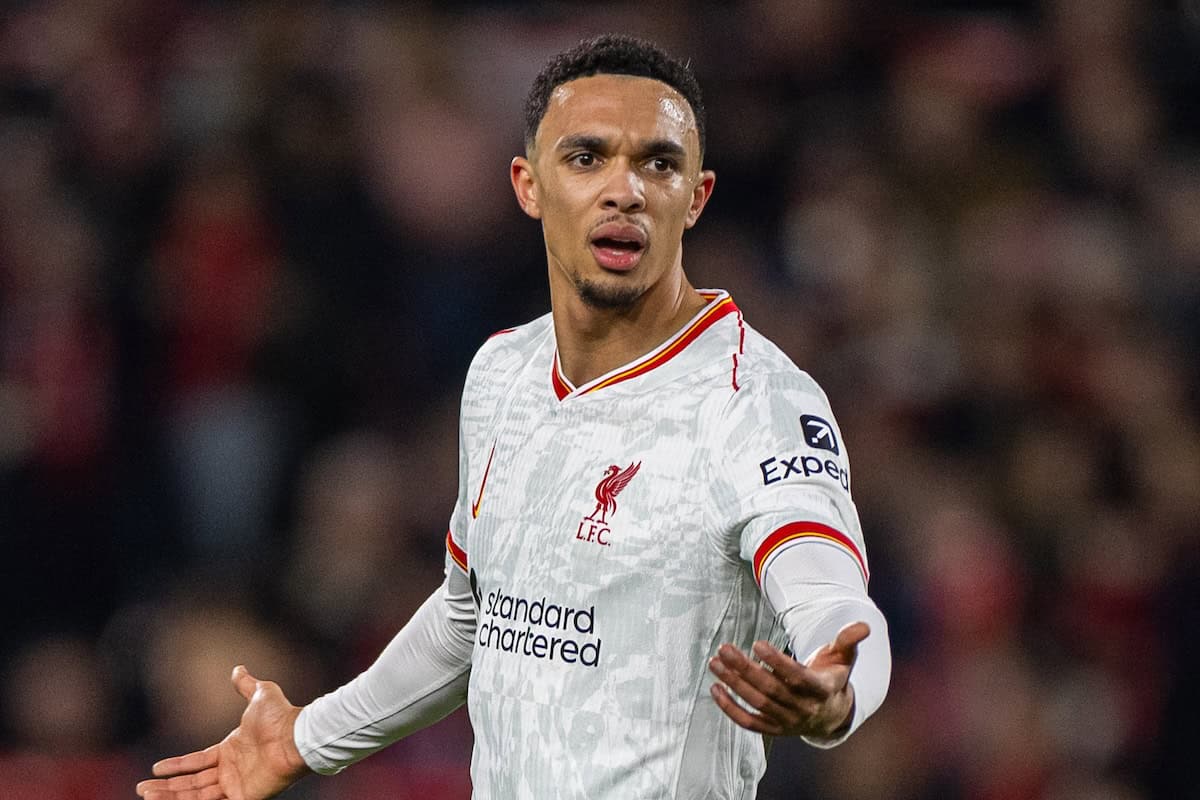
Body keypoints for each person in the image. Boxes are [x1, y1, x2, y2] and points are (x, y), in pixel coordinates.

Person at [136, 33, 891, 800]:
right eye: (587, 157)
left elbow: (833, 601)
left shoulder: (755, 401)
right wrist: (307, 739)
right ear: (529, 185)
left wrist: (837, 693)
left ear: (695, 197)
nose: (624, 189)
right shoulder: (503, 371)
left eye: (658, 163)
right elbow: (472, 620)